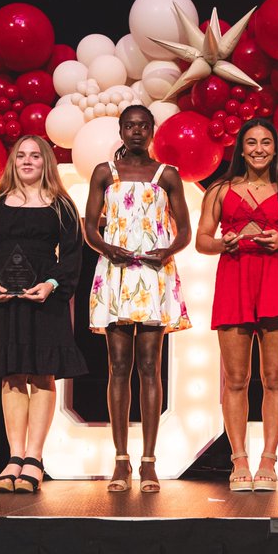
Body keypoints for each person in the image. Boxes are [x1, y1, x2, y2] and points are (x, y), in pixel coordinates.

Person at [195, 118, 278, 492]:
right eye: (251, 142)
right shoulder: (219, 190)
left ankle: (269, 460)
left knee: (274, 378)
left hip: (275, 279)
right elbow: (202, 241)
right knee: (236, 379)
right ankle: (239, 458)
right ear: (240, 149)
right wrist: (222, 243)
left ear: (276, 148)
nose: (259, 149)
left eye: (266, 142)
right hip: (234, 278)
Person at [84, 105, 191, 493]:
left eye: (143, 126)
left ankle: (148, 462)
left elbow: (184, 232)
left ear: (152, 131)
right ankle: (120, 460)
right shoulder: (104, 173)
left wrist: (166, 252)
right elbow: (90, 226)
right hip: (116, 272)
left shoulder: (167, 175)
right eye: (129, 125)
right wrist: (106, 248)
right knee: (117, 366)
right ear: (120, 129)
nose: (136, 131)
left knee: (150, 365)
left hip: (152, 273)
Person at [0, 135, 87, 494]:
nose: (27, 161)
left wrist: (52, 283)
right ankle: (14, 456)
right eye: (21, 155)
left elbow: (71, 255)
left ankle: (35, 459)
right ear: (12, 162)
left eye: (35, 155)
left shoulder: (61, 205)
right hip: (6, 300)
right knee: (11, 375)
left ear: (45, 162)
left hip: (44, 299)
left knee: (41, 375)